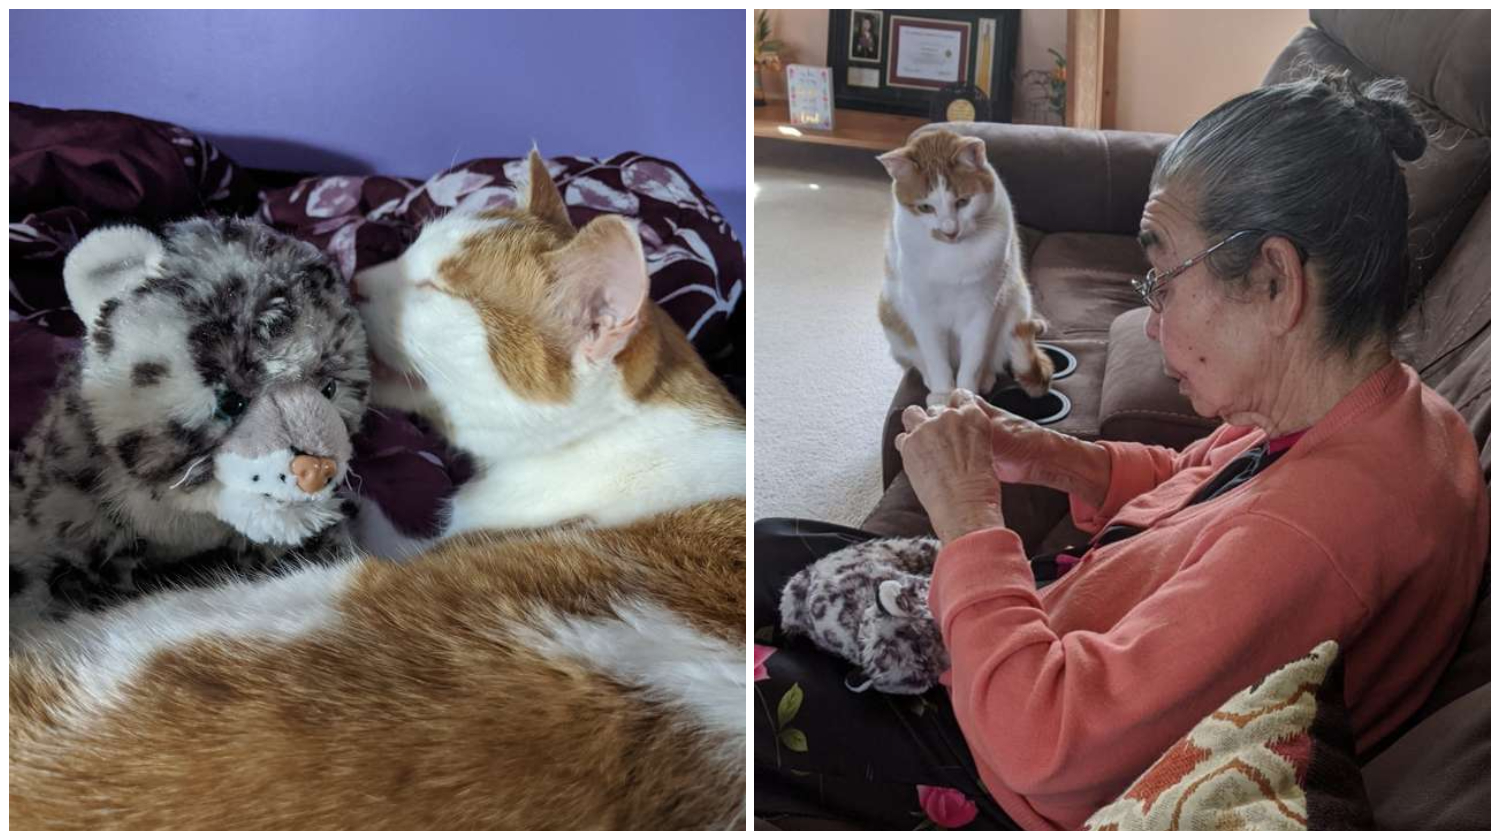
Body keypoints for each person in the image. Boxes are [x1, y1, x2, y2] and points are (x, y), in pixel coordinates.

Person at [753, 70, 1488, 830]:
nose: (1150, 315)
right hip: (1061, 636)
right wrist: (1050, 458)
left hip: (1007, 765)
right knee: (769, 552)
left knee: (727, 693)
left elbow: (1044, 749)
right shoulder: (1384, 412)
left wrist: (970, 519)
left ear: (1276, 281)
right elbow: (1199, 482)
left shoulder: (1311, 536)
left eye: (1164, 278)